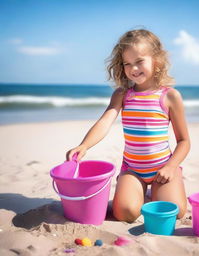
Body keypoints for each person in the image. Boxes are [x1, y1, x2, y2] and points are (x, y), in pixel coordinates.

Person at [66, 29, 190, 223]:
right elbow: (105, 121)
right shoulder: (122, 94)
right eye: (127, 63)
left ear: (156, 60)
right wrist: (84, 145)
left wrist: (172, 166)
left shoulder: (170, 96)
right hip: (133, 169)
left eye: (139, 61)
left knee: (174, 213)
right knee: (126, 213)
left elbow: (184, 141)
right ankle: (134, 190)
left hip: (163, 168)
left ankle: (160, 189)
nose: (133, 68)